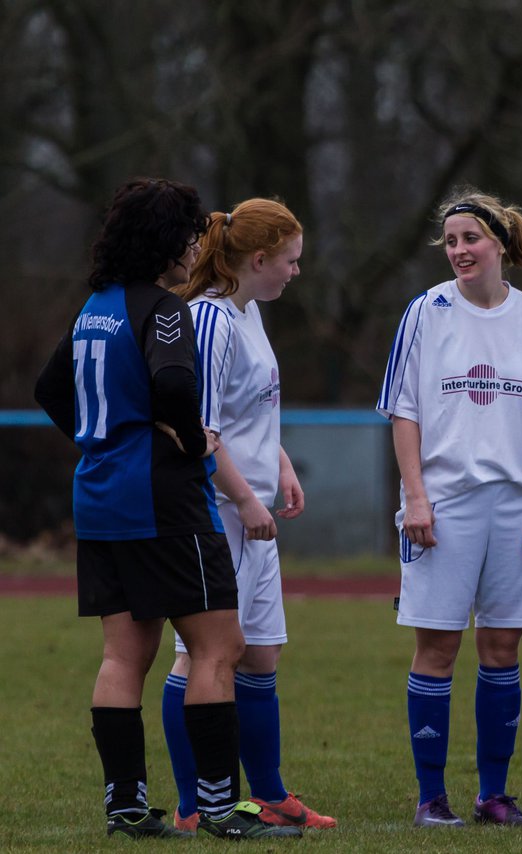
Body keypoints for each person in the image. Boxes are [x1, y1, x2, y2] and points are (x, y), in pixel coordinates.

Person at [33, 178, 299, 840]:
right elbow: (177, 383)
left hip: (97, 496)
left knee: (124, 656)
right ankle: (217, 808)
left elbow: (49, 389)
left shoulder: (94, 306)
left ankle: (125, 807)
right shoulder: (168, 308)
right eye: (185, 236)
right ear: (163, 242)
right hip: (163, 499)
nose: (194, 247)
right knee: (220, 647)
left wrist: (107, 435)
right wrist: (183, 434)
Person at [377, 190, 522, 828]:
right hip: (445, 505)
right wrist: (416, 498)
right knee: (437, 647)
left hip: (517, 507)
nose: (458, 250)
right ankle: (432, 799)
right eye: (451, 240)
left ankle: (494, 795)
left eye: (470, 239)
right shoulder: (425, 312)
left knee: (503, 647)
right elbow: (404, 411)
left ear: (501, 244)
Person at [155, 198, 333, 832]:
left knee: (261, 655)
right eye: (291, 260)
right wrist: (245, 497)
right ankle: (193, 807)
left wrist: (278, 461)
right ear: (258, 259)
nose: (295, 271)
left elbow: (244, 411)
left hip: (250, 511)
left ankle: (272, 795)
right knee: (202, 655)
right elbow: (196, 429)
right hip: (217, 514)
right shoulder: (208, 319)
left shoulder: (248, 311)